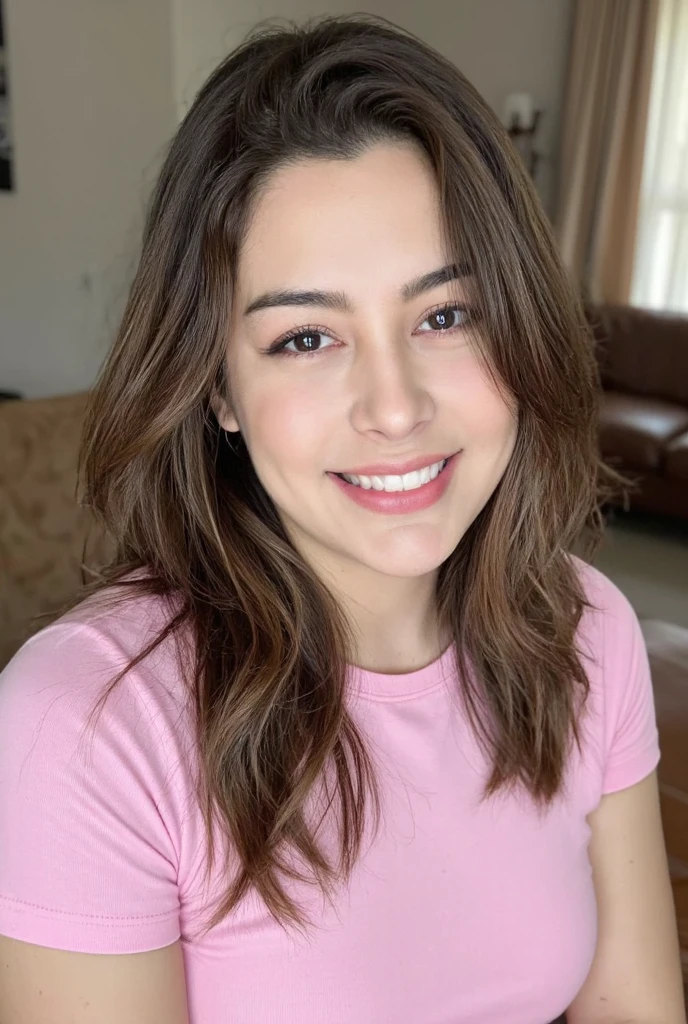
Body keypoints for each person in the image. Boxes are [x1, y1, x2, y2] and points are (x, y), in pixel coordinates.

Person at [0, 14, 684, 1024]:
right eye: (307, 336)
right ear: (218, 389)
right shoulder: (90, 726)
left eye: (445, 315)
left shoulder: (587, 631)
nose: (396, 406)